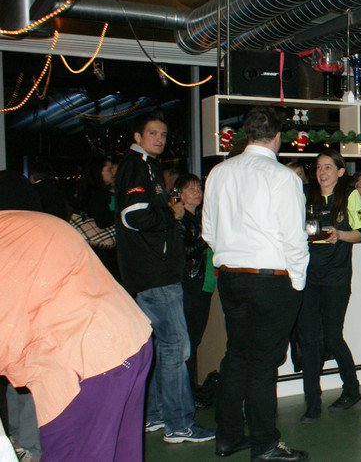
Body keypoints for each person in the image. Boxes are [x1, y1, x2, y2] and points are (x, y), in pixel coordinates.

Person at [0, 211, 153, 462]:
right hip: (129, 337)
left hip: (84, 360)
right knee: (122, 453)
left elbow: (6, 332)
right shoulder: (21, 223)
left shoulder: (8, 237)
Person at [203, 106, 310, 462]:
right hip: (270, 280)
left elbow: (208, 231)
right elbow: (294, 238)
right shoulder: (282, 177)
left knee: (236, 356)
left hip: (231, 276)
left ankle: (227, 437)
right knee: (264, 364)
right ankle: (264, 444)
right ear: (278, 136)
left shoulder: (219, 172)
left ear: (247, 134)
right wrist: (297, 282)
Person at [114, 113, 214, 444]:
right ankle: (179, 424)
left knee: (162, 346)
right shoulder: (136, 166)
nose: (159, 138)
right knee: (177, 347)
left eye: (163, 134)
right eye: (153, 133)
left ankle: (156, 415)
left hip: (149, 273)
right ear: (138, 137)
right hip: (154, 273)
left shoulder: (146, 166)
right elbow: (133, 215)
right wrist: (170, 213)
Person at [297, 150, 361, 423]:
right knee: (309, 340)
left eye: (328, 167)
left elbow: (360, 234)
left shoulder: (349, 195)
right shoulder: (305, 194)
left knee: (333, 337)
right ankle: (312, 402)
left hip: (336, 277)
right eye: (318, 167)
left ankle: (352, 390)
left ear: (340, 171)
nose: (322, 172)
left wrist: (340, 235)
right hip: (308, 277)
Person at [173, 173, 215, 407]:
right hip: (189, 285)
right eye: (190, 189)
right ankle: (185, 394)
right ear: (179, 194)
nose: (197, 192)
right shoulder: (178, 219)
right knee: (187, 342)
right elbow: (183, 251)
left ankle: (189, 390)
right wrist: (206, 238)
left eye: (199, 188)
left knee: (193, 341)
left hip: (204, 283)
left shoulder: (199, 218)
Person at [77, 156, 116, 228]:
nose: (113, 172)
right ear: (98, 172)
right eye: (109, 169)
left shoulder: (89, 191)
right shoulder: (96, 194)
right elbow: (103, 221)